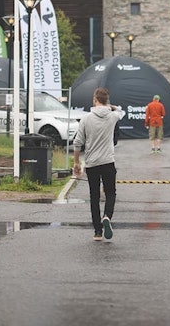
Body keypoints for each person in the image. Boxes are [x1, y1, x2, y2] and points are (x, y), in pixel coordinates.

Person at [73, 87, 124, 241]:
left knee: (94, 196)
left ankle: (97, 232)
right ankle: (107, 216)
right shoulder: (112, 116)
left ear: (95, 99)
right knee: (110, 193)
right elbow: (120, 111)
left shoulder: (86, 118)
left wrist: (76, 162)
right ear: (106, 101)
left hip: (91, 163)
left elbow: (78, 142)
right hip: (108, 161)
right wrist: (109, 106)